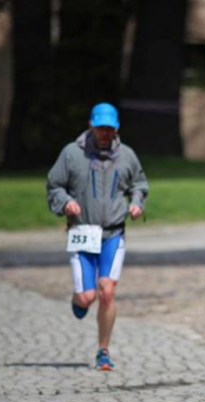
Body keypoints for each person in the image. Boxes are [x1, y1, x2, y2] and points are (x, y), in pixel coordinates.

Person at [46, 102, 149, 371]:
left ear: (116, 129)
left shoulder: (126, 155)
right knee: (87, 297)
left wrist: (137, 203)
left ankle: (103, 350)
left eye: (109, 128)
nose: (105, 133)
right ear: (91, 125)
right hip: (82, 232)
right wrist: (65, 202)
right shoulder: (71, 154)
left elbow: (139, 184)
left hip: (113, 232)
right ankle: (78, 298)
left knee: (107, 291)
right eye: (100, 127)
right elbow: (54, 185)